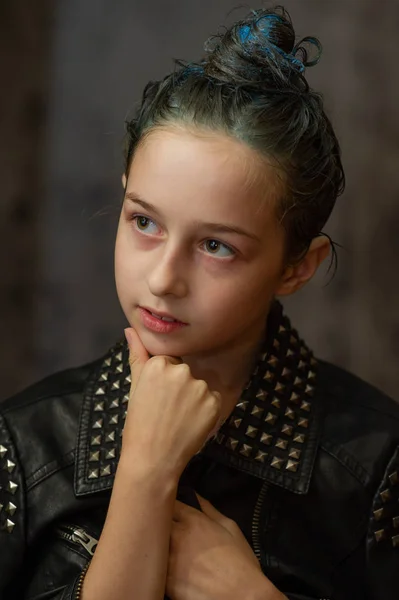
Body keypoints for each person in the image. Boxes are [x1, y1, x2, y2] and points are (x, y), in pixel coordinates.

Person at [1, 5, 398, 599]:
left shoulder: (376, 467)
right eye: (145, 222)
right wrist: (144, 473)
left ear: (297, 266)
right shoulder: (24, 447)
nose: (163, 279)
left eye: (216, 246)